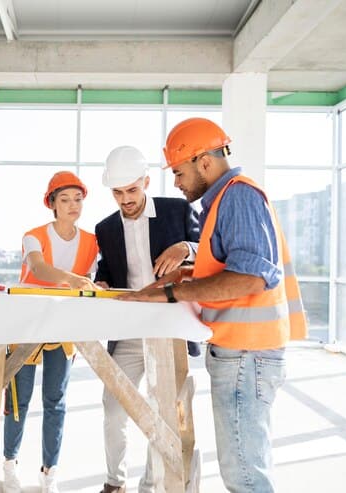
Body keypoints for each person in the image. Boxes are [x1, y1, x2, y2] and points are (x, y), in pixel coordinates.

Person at [119, 118, 307, 493]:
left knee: (245, 476)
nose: (175, 182)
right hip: (242, 353)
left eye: (179, 172)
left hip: (247, 354)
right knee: (245, 468)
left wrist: (172, 294)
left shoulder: (238, 195)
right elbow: (229, 265)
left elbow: (252, 276)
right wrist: (186, 274)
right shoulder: (223, 199)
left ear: (204, 161)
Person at [92, 145, 200, 493]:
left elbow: (207, 248)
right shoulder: (104, 228)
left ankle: (151, 485)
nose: (125, 199)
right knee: (113, 407)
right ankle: (114, 481)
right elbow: (108, 269)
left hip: (167, 329)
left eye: (132, 190)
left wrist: (186, 247)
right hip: (127, 330)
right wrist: (101, 282)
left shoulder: (177, 210)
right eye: (118, 192)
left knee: (164, 412)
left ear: (146, 182)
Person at [3, 171, 100, 493]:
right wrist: (72, 279)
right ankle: (9, 465)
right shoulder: (33, 235)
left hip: (63, 324)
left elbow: (93, 278)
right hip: (26, 322)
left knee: (55, 400)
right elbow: (38, 267)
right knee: (19, 398)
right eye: (65, 199)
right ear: (52, 204)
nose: (73, 205)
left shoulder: (91, 241)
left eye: (78, 199)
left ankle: (49, 472)